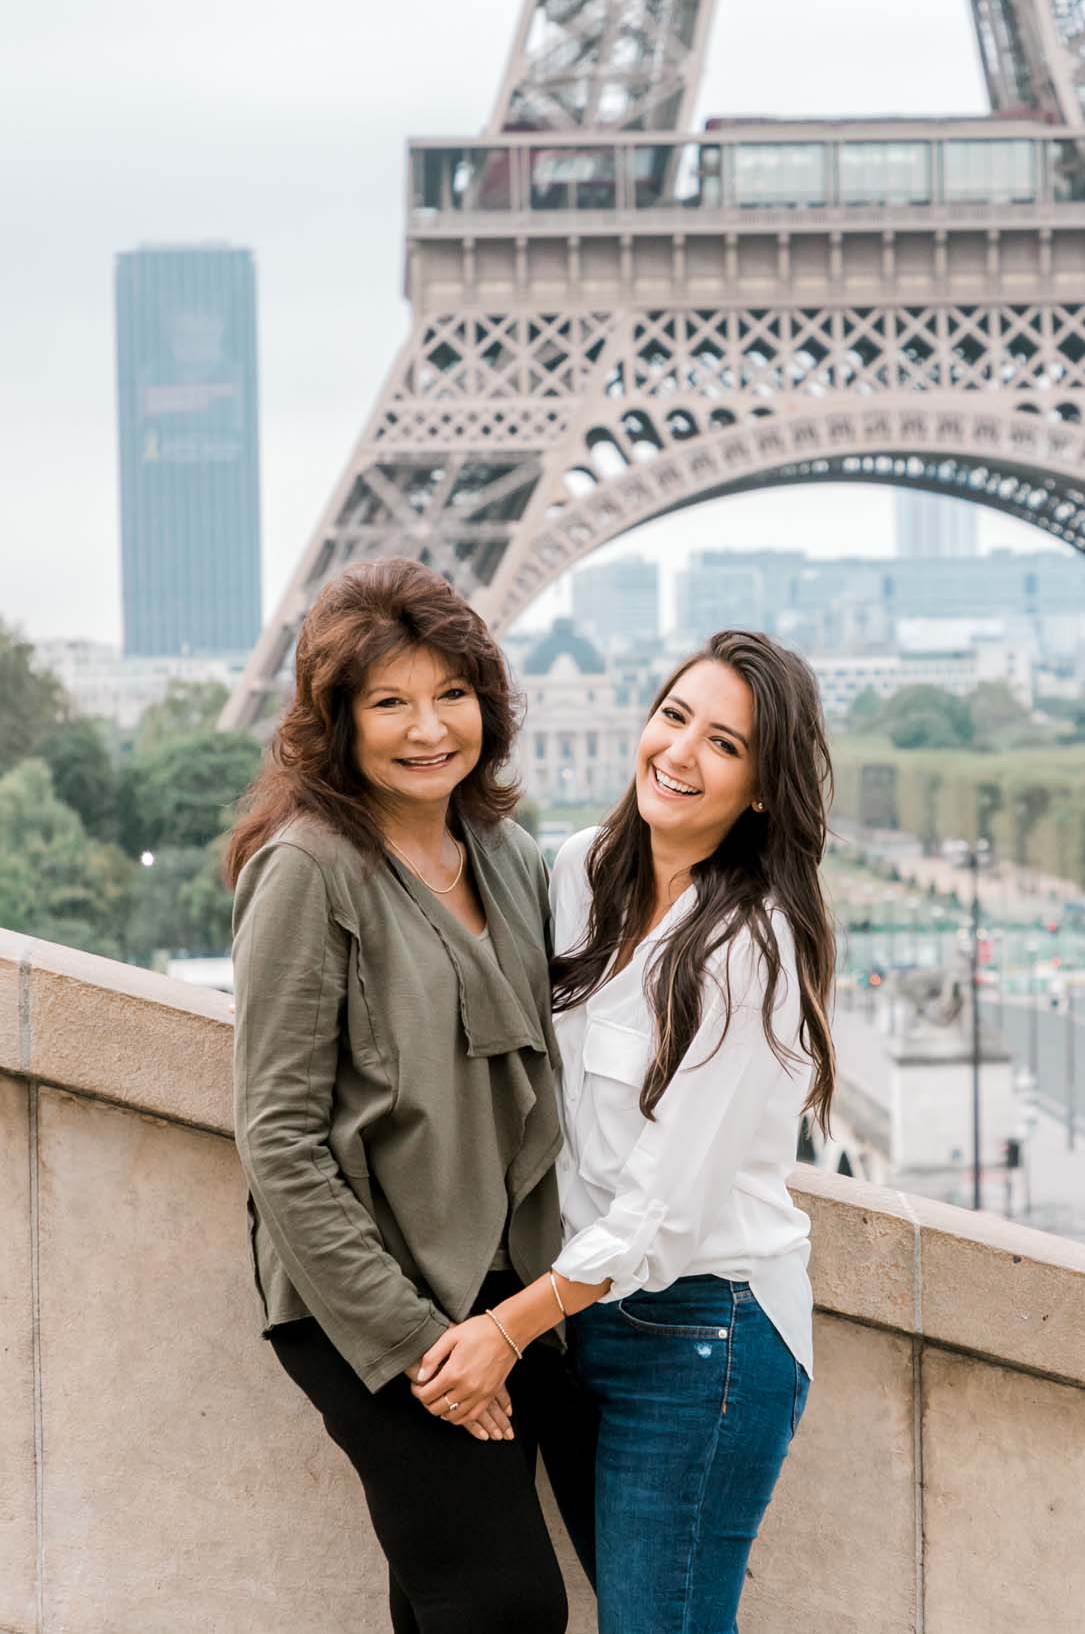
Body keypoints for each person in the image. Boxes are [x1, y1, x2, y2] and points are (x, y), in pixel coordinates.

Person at [438, 629, 836, 1633]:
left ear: (760, 787)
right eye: (673, 716)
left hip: (706, 1330)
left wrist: (503, 1328)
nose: (682, 752)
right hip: (585, 1322)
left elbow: (664, 1204)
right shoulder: (576, 870)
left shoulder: (752, 945)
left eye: (726, 743)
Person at [227, 558, 593, 1634]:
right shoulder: (309, 867)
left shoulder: (510, 855)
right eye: (389, 701)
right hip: (369, 1305)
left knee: (446, 1600)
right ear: (335, 721)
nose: (428, 726)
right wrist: (419, 1341)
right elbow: (280, 1135)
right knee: (504, 1604)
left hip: (508, 1293)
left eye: (452, 693)